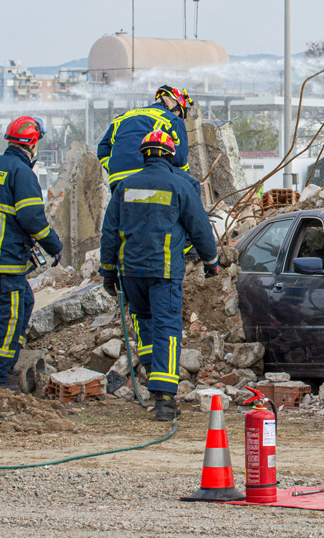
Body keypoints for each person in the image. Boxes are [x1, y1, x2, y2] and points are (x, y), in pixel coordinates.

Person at [99, 130, 219, 421]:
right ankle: (164, 400)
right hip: (164, 272)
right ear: (170, 156)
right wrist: (211, 262)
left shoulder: (124, 186)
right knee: (166, 328)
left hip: (131, 273)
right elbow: (200, 228)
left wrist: (108, 272)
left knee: (145, 323)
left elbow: (109, 232)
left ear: (143, 155)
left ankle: (154, 377)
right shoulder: (180, 185)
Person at [0, 116, 63, 390]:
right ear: (32, 143)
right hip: (8, 259)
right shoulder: (22, 172)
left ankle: (3, 368)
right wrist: (54, 246)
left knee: (24, 302)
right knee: (9, 316)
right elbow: (32, 219)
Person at [97, 85, 193, 192]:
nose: (178, 116)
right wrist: (186, 179)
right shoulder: (173, 119)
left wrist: (112, 166)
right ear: (175, 106)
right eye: (179, 113)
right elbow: (180, 160)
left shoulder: (121, 118)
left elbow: (102, 150)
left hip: (117, 180)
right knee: (192, 184)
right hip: (149, 175)